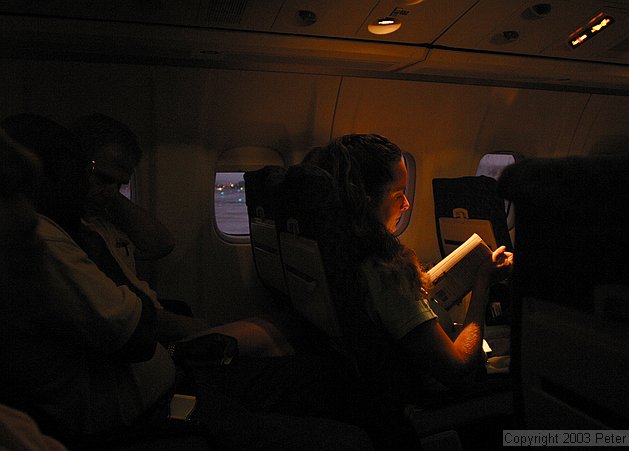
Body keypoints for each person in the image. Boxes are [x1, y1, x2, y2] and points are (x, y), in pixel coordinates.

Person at [0, 114, 373, 451]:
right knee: (345, 435)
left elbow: (160, 244)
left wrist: (105, 198)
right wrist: (193, 335)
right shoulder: (46, 241)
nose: (104, 189)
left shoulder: (86, 225)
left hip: (170, 375)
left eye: (120, 182)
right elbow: (137, 335)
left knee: (317, 372)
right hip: (154, 406)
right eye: (94, 176)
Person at [302, 134, 514, 408]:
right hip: (425, 397)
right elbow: (458, 368)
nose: (407, 204)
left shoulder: (336, 249)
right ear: (366, 200)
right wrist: (481, 281)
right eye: (398, 194)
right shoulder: (384, 269)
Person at [70, 113, 295, 353]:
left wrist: (109, 191)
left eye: (120, 184)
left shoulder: (103, 218)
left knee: (278, 329)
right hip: (146, 333)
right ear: (74, 164)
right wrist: (196, 329)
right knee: (274, 334)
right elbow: (128, 315)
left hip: (152, 319)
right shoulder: (78, 236)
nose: (110, 191)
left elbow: (161, 244)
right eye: (104, 178)